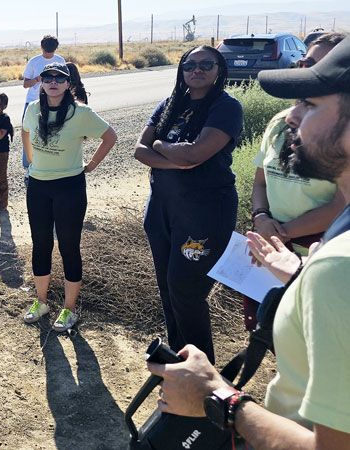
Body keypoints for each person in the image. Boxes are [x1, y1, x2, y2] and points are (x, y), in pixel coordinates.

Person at [147, 38, 350, 450]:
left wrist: (217, 397)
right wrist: (299, 276)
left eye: (309, 104)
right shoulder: (332, 259)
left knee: (185, 290)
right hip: (273, 248)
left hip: (207, 214)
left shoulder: (338, 267)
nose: (290, 116)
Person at [133, 46, 243, 363]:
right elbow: (139, 150)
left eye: (206, 64)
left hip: (205, 214)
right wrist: (172, 159)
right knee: (169, 290)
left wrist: (159, 144)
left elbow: (195, 154)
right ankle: (179, 362)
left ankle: (201, 376)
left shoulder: (225, 107)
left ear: (219, 70)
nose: (196, 69)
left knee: (186, 291)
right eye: (189, 64)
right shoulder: (170, 104)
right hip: (162, 210)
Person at [244, 32, 345, 330]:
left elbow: (343, 202)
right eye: (306, 63)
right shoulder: (279, 122)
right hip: (274, 251)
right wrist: (261, 217)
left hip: (312, 248)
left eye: (322, 66)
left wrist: (283, 233)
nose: (294, 117)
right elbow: (260, 181)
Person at [20, 63, 117, 332]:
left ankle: (69, 309)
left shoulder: (81, 112)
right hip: (38, 186)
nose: (53, 81)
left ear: (68, 83)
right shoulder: (33, 109)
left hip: (69, 187)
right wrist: (30, 159)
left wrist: (93, 164)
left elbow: (110, 137)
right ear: (41, 81)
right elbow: (25, 130)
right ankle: (41, 302)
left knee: (68, 246)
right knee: (40, 244)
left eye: (59, 78)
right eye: (47, 77)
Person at [22, 35, 66, 182]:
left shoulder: (60, 61)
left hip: (54, 103)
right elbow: (25, 84)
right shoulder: (34, 62)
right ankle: (29, 167)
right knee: (29, 134)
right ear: (41, 47)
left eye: (51, 51)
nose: (48, 54)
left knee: (53, 134)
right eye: (47, 51)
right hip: (33, 102)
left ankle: (50, 165)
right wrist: (38, 79)